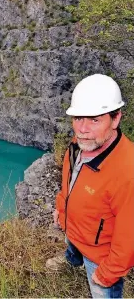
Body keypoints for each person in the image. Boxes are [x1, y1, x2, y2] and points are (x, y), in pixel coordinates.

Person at [46, 74, 134, 298]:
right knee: (72, 246)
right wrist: (62, 209)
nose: (82, 129)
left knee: (102, 292)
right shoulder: (80, 144)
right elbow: (70, 180)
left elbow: (129, 236)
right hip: (75, 230)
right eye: (77, 118)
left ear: (115, 119)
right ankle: (72, 260)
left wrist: (106, 275)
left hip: (99, 256)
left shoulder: (128, 172)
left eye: (94, 120)